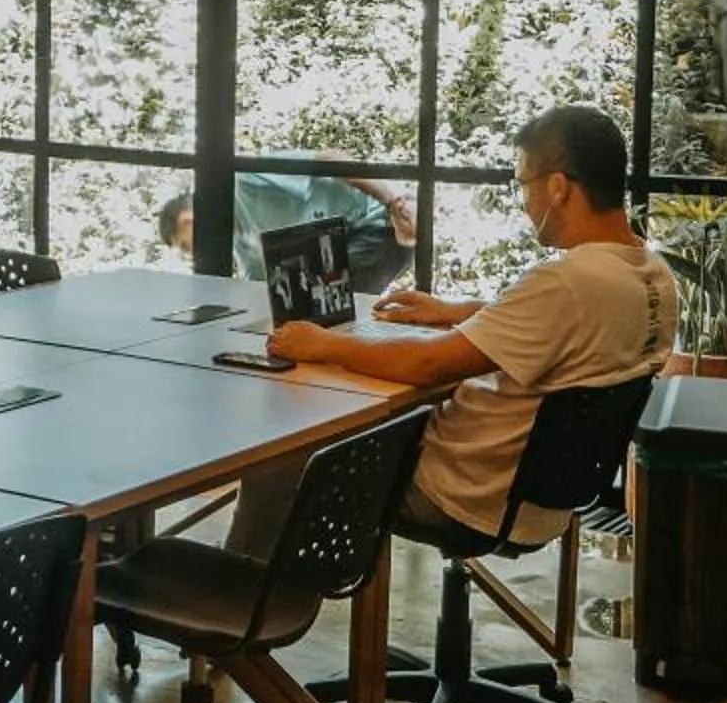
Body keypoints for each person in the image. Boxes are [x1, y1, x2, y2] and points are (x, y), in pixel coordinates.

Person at [267, 106, 677, 547]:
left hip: (460, 493)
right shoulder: (650, 276)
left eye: (523, 185)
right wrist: (459, 311)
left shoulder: (568, 282)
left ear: (558, 187)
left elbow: (426, 366)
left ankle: (247, 605)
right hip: (546, 501)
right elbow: (577, 327)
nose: (523, 203)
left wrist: (323, 343)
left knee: (283, 455)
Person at [159, 169, 417, 296]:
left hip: (374, 226)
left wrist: (393, 203)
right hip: (341, 251)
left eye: (185, 247)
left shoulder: (245, 182)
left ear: (189, 221)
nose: (192, 255)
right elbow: (258, 286)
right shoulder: (242, 244)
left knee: (318, 300)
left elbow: (331, 158)